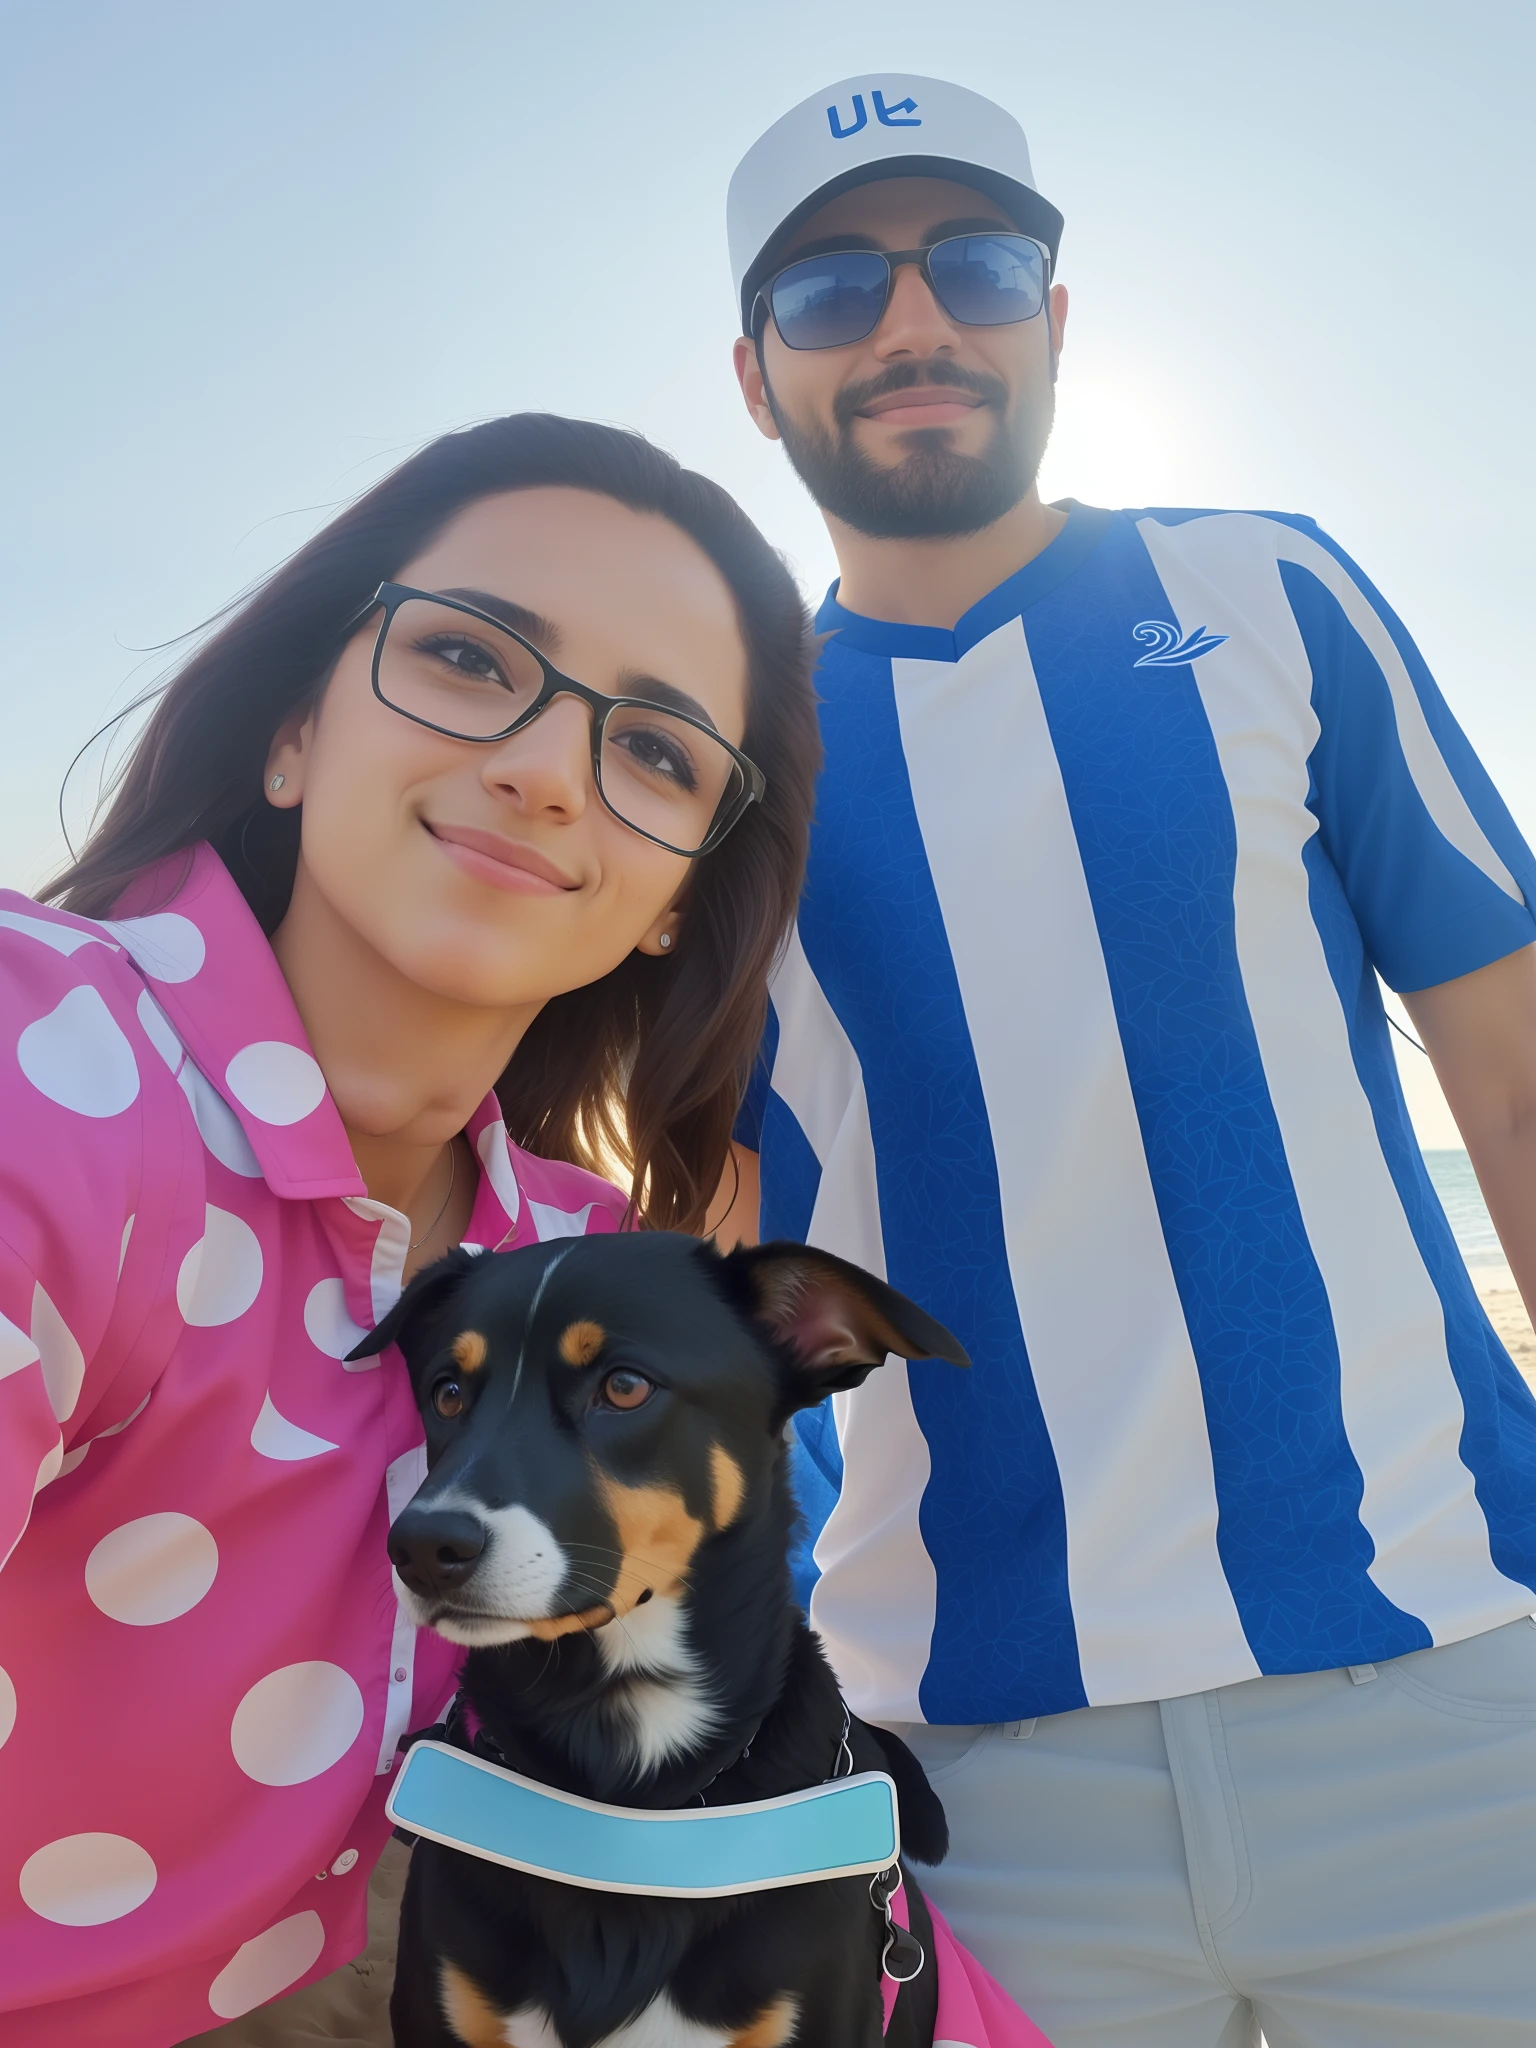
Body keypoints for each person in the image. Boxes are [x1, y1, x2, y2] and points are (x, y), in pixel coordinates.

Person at [723, 72, 1536, 2048]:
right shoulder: (720, 763)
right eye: (832, 291)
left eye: (973, 265)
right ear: (754, 378)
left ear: (1056, 320)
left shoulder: (1272, 594)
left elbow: (1511, 1084)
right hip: (973, 1791)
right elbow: (709, 1246)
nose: (913, 323)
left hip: (1458, 1705)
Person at [0, 411, 819, 2047]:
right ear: (294, 731)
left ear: (674, 903)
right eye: (465, 657)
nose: (541, 765)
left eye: (657, 752)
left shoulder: (579, 1252)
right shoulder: (47, 1068)